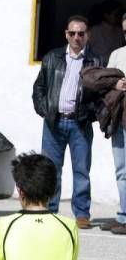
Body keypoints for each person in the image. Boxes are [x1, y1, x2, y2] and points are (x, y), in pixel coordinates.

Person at [32, 15, 102, 229]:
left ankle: (82, 214)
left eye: (81, 33)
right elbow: (39, 88)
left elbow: (101, 95)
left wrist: (90, 115)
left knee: (81, 170)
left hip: (80, 124)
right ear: (66, 34)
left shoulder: (96, 62)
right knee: (52, 169)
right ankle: (51, 210)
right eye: (72, 33)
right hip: (54, 123)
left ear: (87, 35)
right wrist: (45, 110)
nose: (76, 37)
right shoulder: (52, 57)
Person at [104, 15, 126, 235]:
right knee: (122, 171)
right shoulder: (117, 54)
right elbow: (105, 83)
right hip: (121, 120)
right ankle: (124, 215)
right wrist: (116, 84)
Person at [88, 0, 124, 66]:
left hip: (116, 68)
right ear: (106, 15)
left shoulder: (120, 31)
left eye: (120, 15)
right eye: (116, 15)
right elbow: (85, 50)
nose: (118, 17)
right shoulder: (95, 30)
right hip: (98, 68)